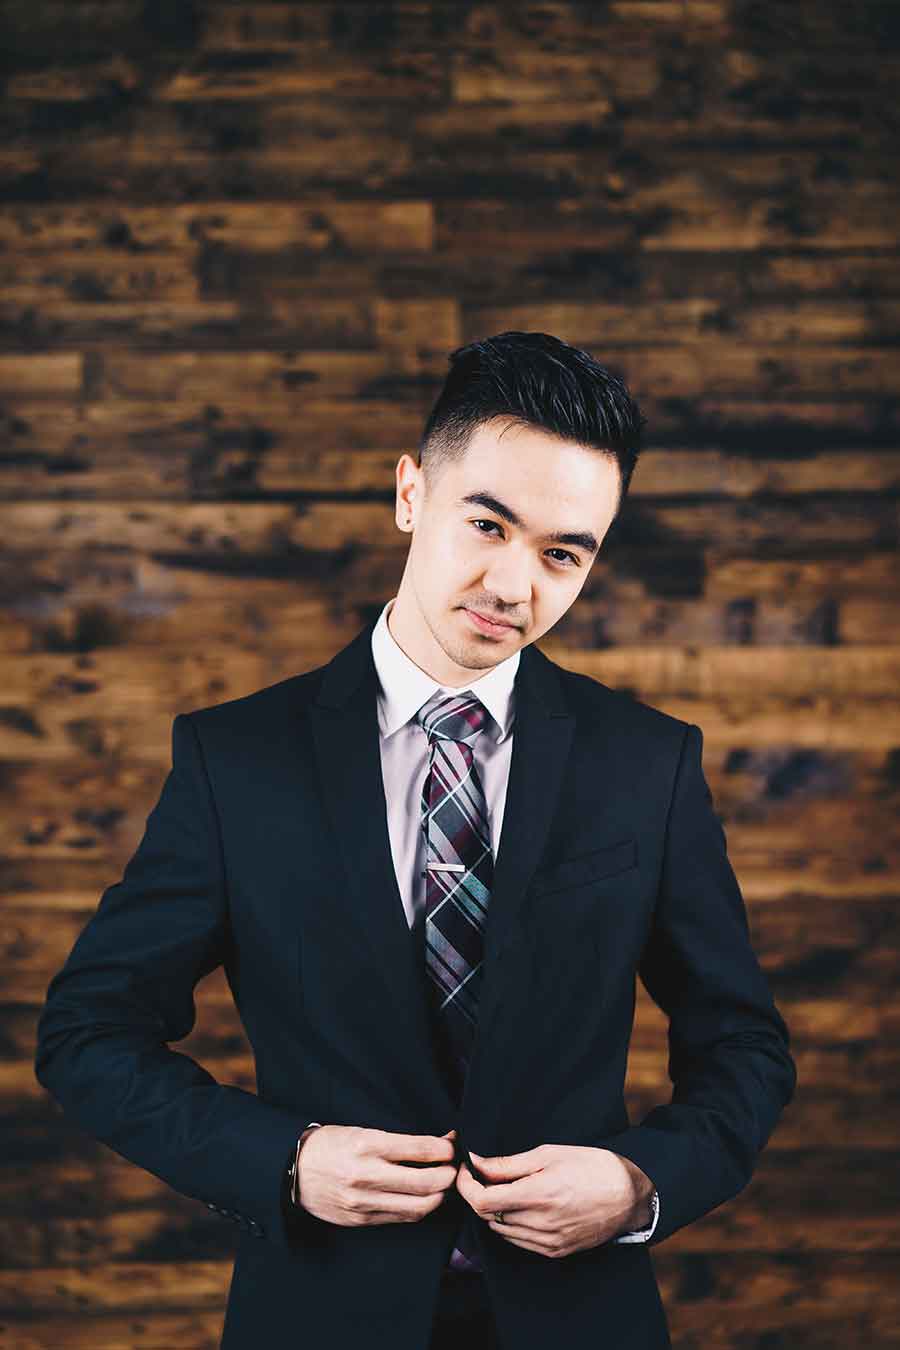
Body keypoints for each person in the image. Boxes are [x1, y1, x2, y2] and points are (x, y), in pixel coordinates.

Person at [34, 331, 797, 1349]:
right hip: (317, 1316)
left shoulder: (647, 764)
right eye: (488, 524)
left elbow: (744, 1046)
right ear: (410, 493)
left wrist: (637, 1182)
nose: (514, 585)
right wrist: (285, 1160)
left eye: (562, 554)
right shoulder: (237, 760)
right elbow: (89, 1033)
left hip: (579, 1318)